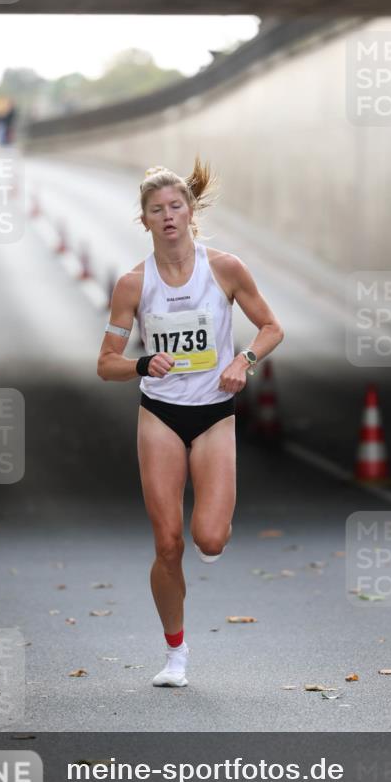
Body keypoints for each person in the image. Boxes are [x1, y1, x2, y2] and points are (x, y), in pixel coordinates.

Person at [97, 159, 284, 687]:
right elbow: (105, 363)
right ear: (145, 220)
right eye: (157, 210)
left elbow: (271, 327)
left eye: (176, 206)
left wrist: (242, 362)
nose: (168, 216)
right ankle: (175, 654)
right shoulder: (133, 285)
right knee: (168, 544)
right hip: (159, 412)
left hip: (214, 415)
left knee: (210, 540)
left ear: (191, 211)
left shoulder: (224, 268)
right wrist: (140, 363)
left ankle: (211, 538)